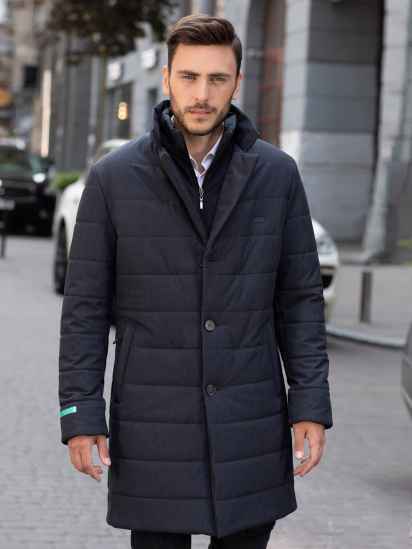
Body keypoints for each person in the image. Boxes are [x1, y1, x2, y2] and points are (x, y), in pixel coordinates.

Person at [59, 14, 332, 549]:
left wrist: (310, 404)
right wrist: (80, 412)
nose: (202, 94)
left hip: (250, 422)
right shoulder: (113, 178)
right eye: (188, 76)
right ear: (166, 79)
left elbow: (300, 300)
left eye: (217, 78)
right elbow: (85, 308)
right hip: (152, 424)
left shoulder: (277, 175)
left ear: (237, 83)